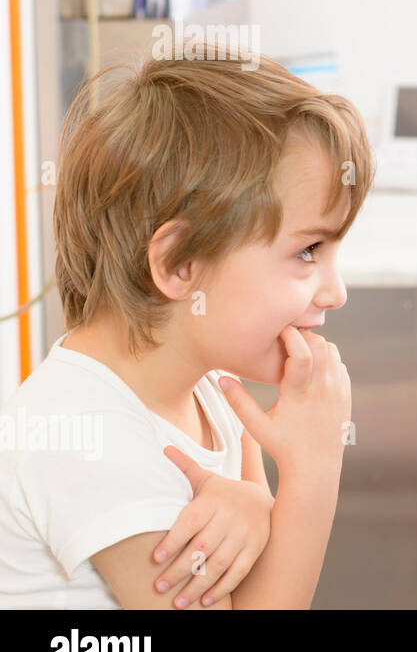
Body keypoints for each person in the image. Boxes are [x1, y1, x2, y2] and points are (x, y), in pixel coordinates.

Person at [0, 48, 372, 608]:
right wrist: (314, 471)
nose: (335, 292)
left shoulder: (208, 388)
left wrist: (255, 509)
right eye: (308, 251)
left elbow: (259, 587)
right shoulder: (90, 438)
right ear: (180, 264)